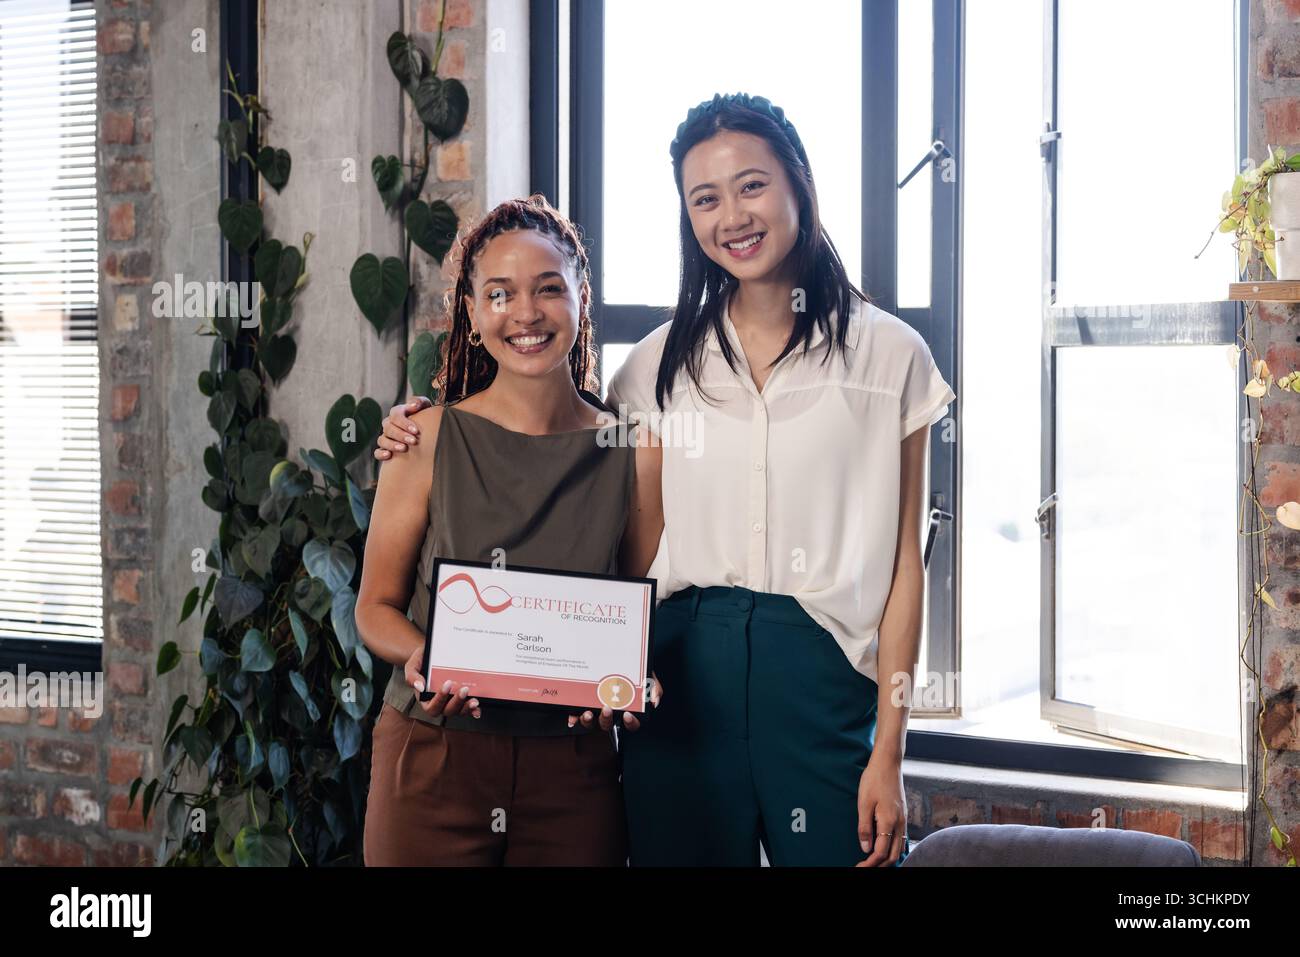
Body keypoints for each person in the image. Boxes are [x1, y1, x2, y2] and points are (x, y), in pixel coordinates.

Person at [377, 94, 954, 867]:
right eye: (705, 199)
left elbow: (903, 568)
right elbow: (614, 557)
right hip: (681, 682)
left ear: (797, 184)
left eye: (751, 186)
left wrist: (891, 748)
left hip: (822, 689)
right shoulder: (650, 369)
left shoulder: (893, 358)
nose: (733, 216)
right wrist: (418, 426)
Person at [356, 195, 663, 866]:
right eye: (500, 294)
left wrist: (629, 680)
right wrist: (419, 654)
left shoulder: (635, 453)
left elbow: (632, 615)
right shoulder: (423, 438)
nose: (525, 313)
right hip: (434, 756)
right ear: (472, 311)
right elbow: (373, 607)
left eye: (548, 289)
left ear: (581, 296)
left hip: (573, 768)